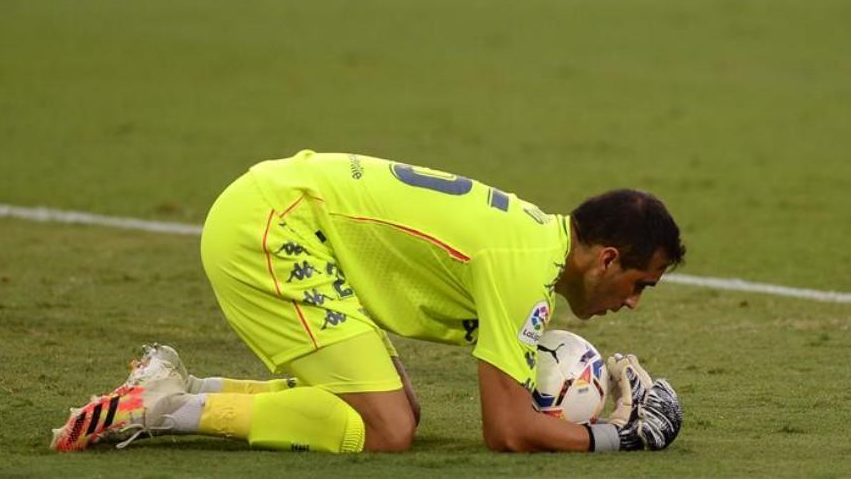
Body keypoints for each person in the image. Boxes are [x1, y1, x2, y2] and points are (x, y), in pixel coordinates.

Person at [52, 151, 685, 453]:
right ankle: (163, 411)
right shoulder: (524, 270)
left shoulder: (531, 249)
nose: (632, 304)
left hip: (283, 212)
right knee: (387, 430)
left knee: (394, 408)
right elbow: (509, 431)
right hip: (274, 227)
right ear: (606, 258)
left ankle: (180, 384)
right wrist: (619, 438)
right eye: (639, 284)